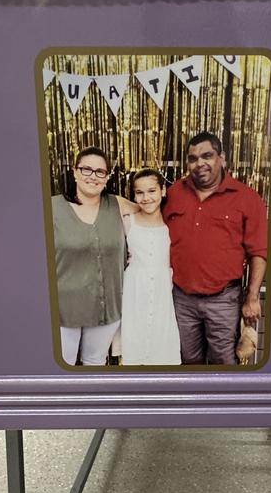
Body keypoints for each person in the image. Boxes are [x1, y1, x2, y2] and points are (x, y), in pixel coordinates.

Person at [163, 132, 268, 365]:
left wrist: (252, 298)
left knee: (223, 362)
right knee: (186, 360)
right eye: (193, 158)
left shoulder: (247, 198)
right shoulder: (173, 194)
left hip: (223, 299)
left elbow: (258, 252)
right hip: (181, 298)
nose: (200, 163)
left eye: (207, 156)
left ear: (222, 158)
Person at [52, 146, 139, 366]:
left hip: (107, 306)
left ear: (107, 177)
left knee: (95, 361)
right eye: (86, 169)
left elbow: (150, 212)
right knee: (65, 364)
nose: (93, 176)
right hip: (64, 309)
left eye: (100, 171)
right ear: (74, 171)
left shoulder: (116, 204)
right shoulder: (52, 208)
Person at [120, 169, 181, 365]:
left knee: (163, 351)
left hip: (164, 295)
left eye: (152, 191)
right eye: (140, 192)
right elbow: (110, 200)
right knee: (135, 350)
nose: (146, 198)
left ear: (163, 191)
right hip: (135, 293)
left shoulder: (172, 224)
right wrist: (135, 207)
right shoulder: (128, 221)